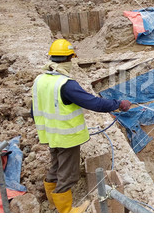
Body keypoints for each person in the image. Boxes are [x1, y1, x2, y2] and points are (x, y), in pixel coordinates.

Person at [31, 39, 131, 213]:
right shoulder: (66, 84)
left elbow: (34, 109)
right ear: (69, 59)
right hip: (66, 137)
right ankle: (66, 211)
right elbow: (94, 103)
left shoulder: (40, 79)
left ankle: (52, 201)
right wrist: (118, 103)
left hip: (49, 134)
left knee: (56, 165)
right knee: (68, 173)